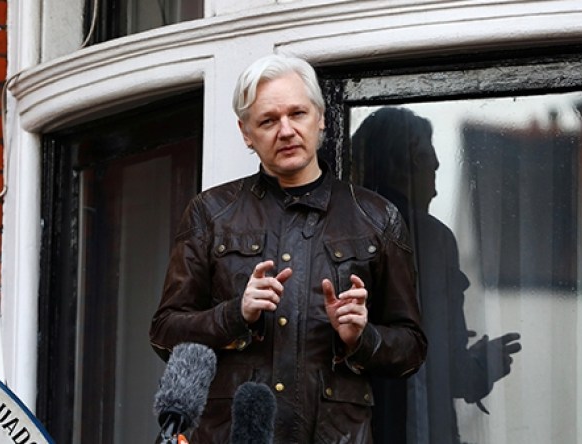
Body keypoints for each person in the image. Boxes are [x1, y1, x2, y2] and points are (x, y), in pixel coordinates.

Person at [149, 55, 427, 443]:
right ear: (246, 132)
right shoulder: (211, 212)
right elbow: (164, 333)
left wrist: (359, 336)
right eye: (268, 121)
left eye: (297, 113)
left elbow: (411, 349)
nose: (286, 130)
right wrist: (235, 314)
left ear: (321, 118)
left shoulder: (377, 217)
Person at [351, 107, 522, 444]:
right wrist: (484, 364)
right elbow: (449, 370)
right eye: (429, 165)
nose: (435, 189)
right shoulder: (429, 239)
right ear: (405, 165)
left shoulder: (340, 231)